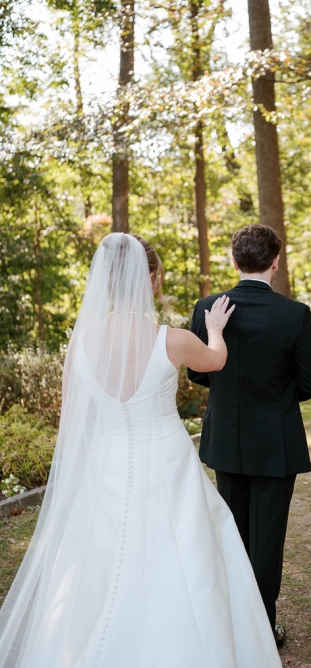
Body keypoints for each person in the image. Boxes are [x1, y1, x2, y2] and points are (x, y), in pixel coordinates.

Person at [0, 233, 280, 666]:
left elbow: (76, 416)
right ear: (151, 280)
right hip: (167, 463)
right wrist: (215, 330)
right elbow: (216, 361)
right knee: (184, 556)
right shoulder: (173, 339)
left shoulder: (81, 344)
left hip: (104, 465)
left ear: (107, 285)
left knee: (100, 560)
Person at [189, 224, 311, 649]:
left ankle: (230, 626)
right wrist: (278, 396)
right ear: (275, 262)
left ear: (234, 261)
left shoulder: (207, 307)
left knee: (230, 535)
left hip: (226, 441)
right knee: (266, 541)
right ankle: (261, 631)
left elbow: (198, 372)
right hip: (276, 443)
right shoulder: (294, 313)